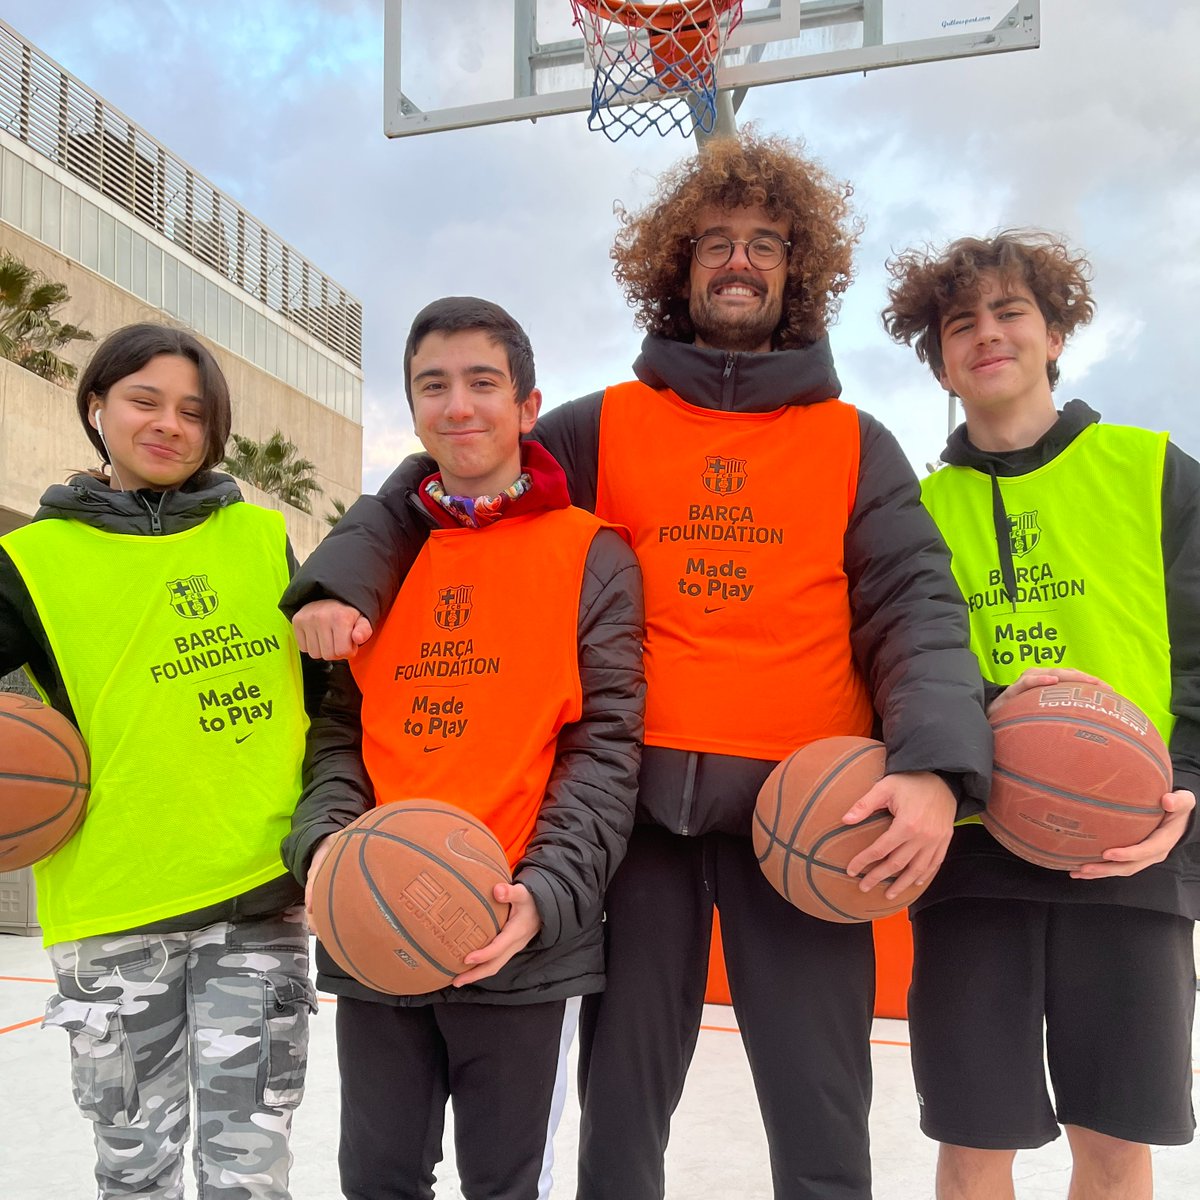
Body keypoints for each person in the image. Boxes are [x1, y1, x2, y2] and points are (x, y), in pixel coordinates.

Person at [282, 133, 992, 1200]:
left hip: (803, 820)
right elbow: (442, 479)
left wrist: (937, 767)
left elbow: (918, 611)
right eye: (715, 242)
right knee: (620, 1129)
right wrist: (342, 576)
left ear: (800, 271)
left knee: (822, 1124)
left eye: (766, 243)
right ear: (678, 263)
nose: (739, 260)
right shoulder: (599, 426)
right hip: (640, 833)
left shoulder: (857, 442)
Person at [281, 296, 645, 1200]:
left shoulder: (590, 552)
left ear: (527, 406)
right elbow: (337, 737)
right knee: (376, 1177)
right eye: (432, 386)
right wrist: (325, 850)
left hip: (515, 929)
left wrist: (548, 895)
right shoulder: (380, 558)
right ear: (411, 410)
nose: (458, 406)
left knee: (505, 1184)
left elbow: (604, 751)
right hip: (379, 922)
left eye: (483, 383)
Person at [883, 230, 1199, 1199]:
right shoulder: (913, 510)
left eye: (1011, 311)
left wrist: (1185, 784)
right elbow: (894, 667)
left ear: (1056, 332)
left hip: (1129, 843)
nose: (987, 334)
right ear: (939, 357)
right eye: (959, 323)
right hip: (976, 852)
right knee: (975, 1144)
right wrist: (986, 718)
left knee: (1112, 1142)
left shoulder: (1156, 472)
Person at [0, 323, 322, 1198]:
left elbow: (328, 701)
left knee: (249, 1174)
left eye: (193, 411)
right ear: (97, 406)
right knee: (134, 1173)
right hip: (113, 915)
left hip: (257, 901)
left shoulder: (261, 542)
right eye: (144, 401)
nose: (168, 425)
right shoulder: (28, 562)